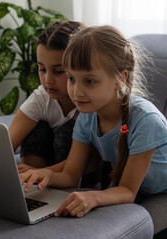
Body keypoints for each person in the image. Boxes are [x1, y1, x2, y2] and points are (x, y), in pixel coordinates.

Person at [20, 25, 167, 234]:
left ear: (120, 78)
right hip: (137, 187)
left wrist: (93, 196)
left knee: (130, 232)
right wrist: (46, 175)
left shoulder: (146, 121)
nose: (76, 91)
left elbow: (127, 191)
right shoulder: (87, 117)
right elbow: (71, 175)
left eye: (89, 81)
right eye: (71, 78)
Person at [8, 21, 102, 185]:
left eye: (58, 71)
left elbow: (91, 157)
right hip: (47, 168)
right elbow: (5, 144)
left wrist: (40, 172)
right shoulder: (41, 97)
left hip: (82, 170)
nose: (47, 80)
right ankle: (34, 187)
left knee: (67, 132)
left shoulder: (93, 103)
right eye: (42, 69)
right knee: (36, 128)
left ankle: (46, 183)